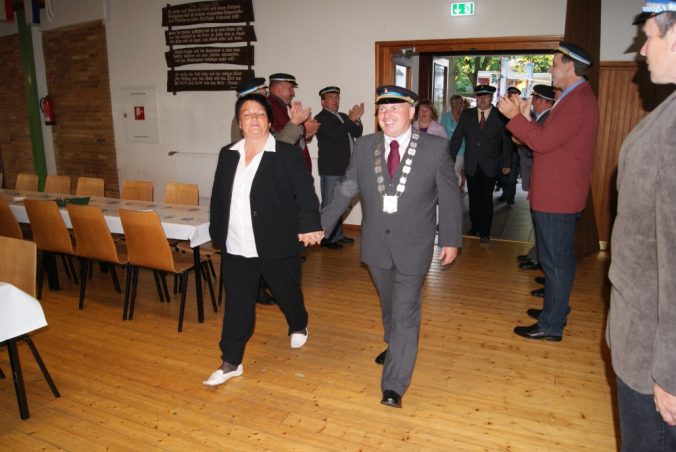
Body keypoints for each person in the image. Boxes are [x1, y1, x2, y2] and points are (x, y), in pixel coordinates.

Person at [321, 85, 462, 409]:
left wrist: (451, 238)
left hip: (414, 245)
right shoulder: (365, 146)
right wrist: (322, 224)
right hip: (376, 245)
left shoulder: (435, 148)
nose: (386, 115)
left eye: (394, 109)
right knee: (390, 305)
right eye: (382, 109)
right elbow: (346, 189)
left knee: (404, 313)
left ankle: (394, 385)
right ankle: (395, 343)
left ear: (411, 113)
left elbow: (449, 196)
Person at [204, 93, 324, 387]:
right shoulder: (227, 154)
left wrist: (310, 223)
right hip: (236, 245)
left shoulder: (285, 154)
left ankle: (298, 323)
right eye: (247, 114)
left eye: (260, 114)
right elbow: (220, 196)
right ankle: (231, 361)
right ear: (239, 123)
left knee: (287, 292)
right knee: (237, 305)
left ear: (270, 121)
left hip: (276, 242)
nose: (254, 119)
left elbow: (305, 192)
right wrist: (217, 232)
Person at [606, 3, 676, 449]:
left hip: (653, 356)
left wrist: (669, 372)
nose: (642, 50)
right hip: (641, 336)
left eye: (650, 36)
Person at [497, 42, 599, 341]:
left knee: (555, 263)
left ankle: (551, 325)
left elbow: (541, 143)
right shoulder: (573, 98)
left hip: (558, 197)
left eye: (554, 64)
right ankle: (554, 311)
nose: (550, 70)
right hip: (559, 195)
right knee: (558, 260)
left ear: (570, 67)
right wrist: (525, 118)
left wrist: (515, 117)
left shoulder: (577, 101)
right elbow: (545, 138)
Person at [449, 84, 513, 243]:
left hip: (490, 164)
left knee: (486, 198)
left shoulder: (500, 115)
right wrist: (450, 157)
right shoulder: (467, 115)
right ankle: (475, 226)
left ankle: (485, 231)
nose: (482, 99)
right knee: (473, 197)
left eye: (486, 96)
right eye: (479, 96)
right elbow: (457, 137)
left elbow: (506, 141)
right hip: (471, 164)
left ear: (491, 97)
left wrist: (507, 162)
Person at [314, 86, 364, 249]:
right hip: (331, 168)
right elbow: (335, 134)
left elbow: (357, 133)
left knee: (342, 202)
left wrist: (356, 119)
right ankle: (326, 238)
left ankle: (337, 235)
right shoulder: (320, 118)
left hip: (347, 167)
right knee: (330, 203)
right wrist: (351, 119)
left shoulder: (343, 116)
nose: (335, 100)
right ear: (323, 102)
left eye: (337, 97)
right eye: (331, 97)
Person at [515, 84, 556, 275]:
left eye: (536, 99)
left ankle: (539, 258)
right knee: (537, 221)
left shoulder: (548, 119)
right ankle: (536, 254)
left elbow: (536, 147)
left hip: (542, 175)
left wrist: (521, 140)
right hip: (536, 174)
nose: (533, 102)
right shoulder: (541, 118)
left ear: (546, 102)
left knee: (542, 223)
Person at [230, 77, 311, 146]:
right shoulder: (244, 119)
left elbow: (275, 141)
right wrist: (294, 123)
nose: (266, 98)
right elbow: (273, 149)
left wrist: (296, 122)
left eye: (265, 94)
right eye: (263, 95)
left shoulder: (262, 116)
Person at [268, 73, 320, 173]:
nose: (293, 93)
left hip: (295, 168)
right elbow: (277, 139)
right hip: (286, 169)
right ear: (278, 88)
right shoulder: (269, 108)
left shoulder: (286, 107)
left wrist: (307, 133)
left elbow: (294, 137)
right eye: (291, 88)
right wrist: (303, 128)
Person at [498, 86, 523, 205]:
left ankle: (510, 196)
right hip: (502, 148)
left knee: (512, 175)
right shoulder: (502, 110)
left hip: (515, 149)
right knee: (502, 174)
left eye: (514, 95)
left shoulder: (521, 110)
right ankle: (505, 193)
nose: (511, 97)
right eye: (510, 95)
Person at [440, 94, 466, 191]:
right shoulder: (446, 118)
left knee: (456, 171)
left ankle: (454, 189)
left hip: (462, 149)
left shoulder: (464, 116)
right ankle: (453, 190)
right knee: (453, 172)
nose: (462, 105)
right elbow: (441, 134)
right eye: (460, 103)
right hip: (450, 149)